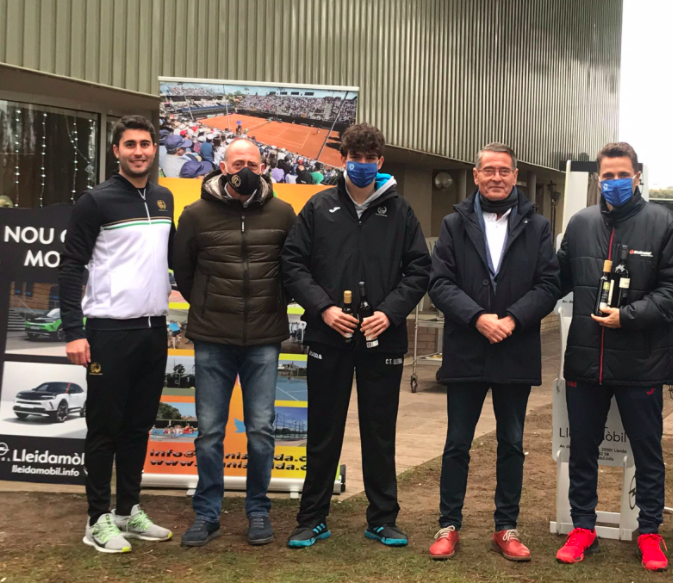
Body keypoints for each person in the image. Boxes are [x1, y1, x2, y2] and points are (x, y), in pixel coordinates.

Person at [282, 122, 431, 549]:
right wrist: (324, 309)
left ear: (380, 161)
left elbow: (419, 269)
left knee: (379, 432)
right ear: (342, 158)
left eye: (369, 158)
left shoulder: (400, 211)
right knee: (323, 430)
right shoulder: (319, 206)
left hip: (382, 339)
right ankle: (312, 518)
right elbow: (293, 264)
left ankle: (382, 519)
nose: (362, 164)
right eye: (355, 157)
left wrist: (389, 313)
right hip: (328, 338)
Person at [555, 142, 673, 571]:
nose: (614, 182)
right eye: (607, 175)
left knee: (647, 452)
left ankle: (649, 532)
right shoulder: (580, 224)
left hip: (642, 362)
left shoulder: (663, 223)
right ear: (598, 178)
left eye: (622, 175)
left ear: (637, 177)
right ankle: (583, 528)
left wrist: (629, 317)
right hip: (586, 361)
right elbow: (554, 280)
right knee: (582, 451)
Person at [427, 142, 559, 562]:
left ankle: (506, 527)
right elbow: (440, 282)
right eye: (489, 170)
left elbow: (549, 285)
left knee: (512, 443)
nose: (497, 177)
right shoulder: (453, 223)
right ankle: (448, 525)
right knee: (457, 443)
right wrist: (478, 318)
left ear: (515, 176)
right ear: (476, 175)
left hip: (515, 348)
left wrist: (513, 319)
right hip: (467, 347)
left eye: (504, 170)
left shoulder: (538, 226)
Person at [59, 115, 175, 554]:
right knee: (104, 429)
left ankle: (128, 511)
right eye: (130, 144)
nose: (139, 151)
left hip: (153, 330)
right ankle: (97, 519)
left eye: (145, 144)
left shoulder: (164, 198)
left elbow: (171, 260)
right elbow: (71, 267)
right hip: (108, 331)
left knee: (138, 427)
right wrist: (74, 331)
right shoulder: (95, 201)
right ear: (117, 151)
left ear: (154, 149)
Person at [173, 138, 296, 547]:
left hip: (264, 337)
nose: (245, 169)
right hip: (212, 337)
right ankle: (207, 514)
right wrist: (207, 304)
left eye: (252, 163)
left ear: (263, 168)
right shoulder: (195, 214)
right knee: (210, 432)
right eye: (238, 162)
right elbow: (184, 273)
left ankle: (258, 510)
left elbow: (293, 268)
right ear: (223, 166)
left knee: (261, 429)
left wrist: (273, 303)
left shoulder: (283, 212)